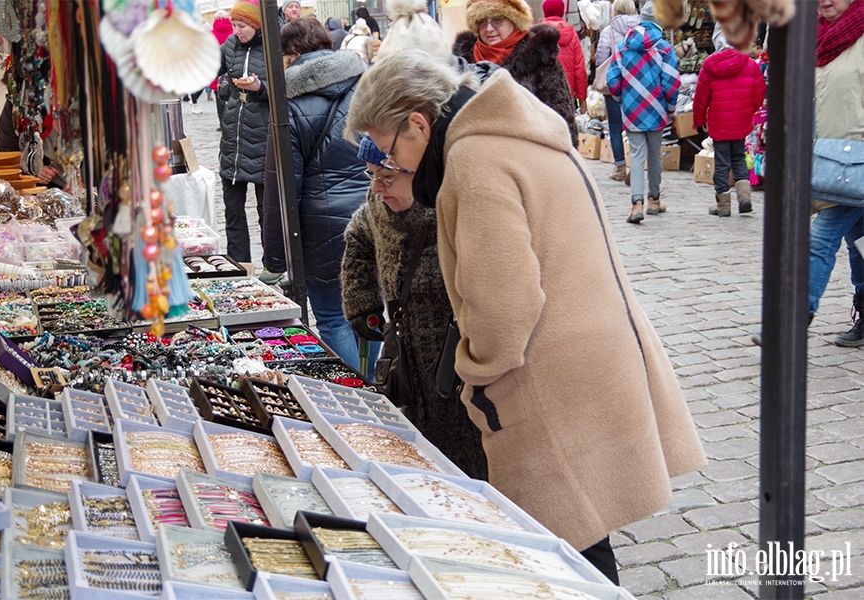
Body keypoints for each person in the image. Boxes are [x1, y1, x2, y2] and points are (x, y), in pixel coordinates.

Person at [345, 50, 706, 584]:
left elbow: (502, 306)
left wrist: (474, 374)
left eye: (388, 146)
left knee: (564, 539)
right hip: (592, 355)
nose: (392, 163)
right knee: (579, 528)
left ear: (418, 123)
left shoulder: (474, 159)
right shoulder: (519, 128)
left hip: (547, 373)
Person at [341, 137, 489, 479]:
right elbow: (358, 236)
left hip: (460, 369)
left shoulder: (453, 207)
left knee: (472, 465)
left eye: (387, 176)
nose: (377, 187)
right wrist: (361, 301)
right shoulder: (379, 204)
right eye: (371, 174)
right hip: (408, 366)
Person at [263, 18, 370, 368]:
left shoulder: (289, 104)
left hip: (322, 232)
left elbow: (281, 185)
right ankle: (379, 389)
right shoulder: (367, 85)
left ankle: (361, 399)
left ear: (291, 56)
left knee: (332, 318)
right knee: (370, 316)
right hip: (375, 217)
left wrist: (276, 258)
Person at [810, 0, 864, 346]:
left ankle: (790, 322)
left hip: (857, 162)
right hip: (829, 161)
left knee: (820, 240)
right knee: (859, 243)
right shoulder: (816, 41)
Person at [451, 0, 578, 145]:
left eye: (498, 19)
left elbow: (561, 119)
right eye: (482, 21)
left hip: (525, 157)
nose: (489, 28)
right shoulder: (463, 61)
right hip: (474, 155)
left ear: (514, 20)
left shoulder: (538, 57)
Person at [218, 0, 279, 284]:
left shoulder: (273, 46)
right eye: (234, 25)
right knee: (233, 212)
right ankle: (239, 267)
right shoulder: (230, 45)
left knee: (266, 213)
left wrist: (261, 88)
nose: (236, 31)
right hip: (234, 142)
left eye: (241, 26)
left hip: (262, 142)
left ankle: (272, 268)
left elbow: (284, 90)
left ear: (256, 24)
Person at [606, 1, 680, 224]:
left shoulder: (622, 47)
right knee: (655, 154)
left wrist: (622, 99)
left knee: (636, 156)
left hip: (631, 109)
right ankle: (654, 200)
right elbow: (671, 82)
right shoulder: (664, 48)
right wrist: (670, 107)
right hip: (657, 109)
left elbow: (612, 80)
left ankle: (636, 204)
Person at [693, 45, 766, 217]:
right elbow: (759, 93)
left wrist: (699, 120)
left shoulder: (709, 67)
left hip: (719, 123)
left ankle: (724, 204)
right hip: (740, 121)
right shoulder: (750, 65)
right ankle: (744, 198)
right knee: (738, 158)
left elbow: (700, 98)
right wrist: (749, 111)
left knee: (722, 162)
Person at [595, 0, 638, 181]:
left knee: (614, 127)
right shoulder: (641, 29)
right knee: (635, 126)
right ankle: (635, 166)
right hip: (637, 83)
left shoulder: (608, 31)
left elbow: (600, 58)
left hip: (614, 84)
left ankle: (620, 166)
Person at [541, 0, 587, 114]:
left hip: (540, 94)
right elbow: (580, 68)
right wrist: (582, 98)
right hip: (566, 92)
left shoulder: (535, 35)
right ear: (561, 13)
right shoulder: (572, 36)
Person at [211, 10, 233, 127]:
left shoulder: (210, 34)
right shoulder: (233, 32)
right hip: (232, 69)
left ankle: (222, 122)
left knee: (219, 96)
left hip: (217, 68)